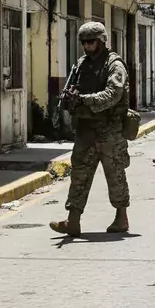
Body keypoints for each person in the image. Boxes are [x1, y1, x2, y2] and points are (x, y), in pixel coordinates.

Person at [50, 21, 132, 237]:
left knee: (114, 174)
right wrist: (70, 99)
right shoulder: (81, 64)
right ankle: (73, 221)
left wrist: (85, 100)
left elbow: (112, 95)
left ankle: (121, 218)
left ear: (102, 41)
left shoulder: (114, 65)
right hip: (86, 129)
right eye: (84, 42)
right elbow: (75, 88)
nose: (87, 46)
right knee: (79, 175)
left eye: (91, 42)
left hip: (109, 130)